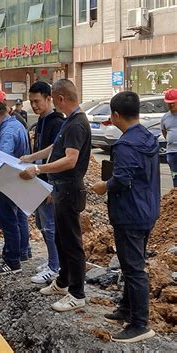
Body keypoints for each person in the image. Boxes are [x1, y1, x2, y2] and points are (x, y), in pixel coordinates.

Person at [92, 91, 159, 343]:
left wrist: (103, 186)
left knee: (134, 269)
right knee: (134, 263)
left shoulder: (125, 144)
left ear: (116, 115)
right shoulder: (148, 137)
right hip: (147, 210)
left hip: (130, 214)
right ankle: (126, 308)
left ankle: (140, 324)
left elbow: (121, 180)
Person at [20, 79, 91, 312]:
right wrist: (32, 158)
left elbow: (70, 160)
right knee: (61, 238)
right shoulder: (69, 122)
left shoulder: (77, 124)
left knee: (72, 243)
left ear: (60, 99)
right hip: (60, 189)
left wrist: (38, 169)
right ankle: (62, 282)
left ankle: (77, 293)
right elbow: (54, 148)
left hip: (70, 189)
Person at [0, 89, 30, 275]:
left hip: (7, 181)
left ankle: (13, 261)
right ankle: (20, 253)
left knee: (8, 220)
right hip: (15, 179)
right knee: (18, 218)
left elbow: (3, 158)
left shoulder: (8, 131)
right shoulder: (16, 124)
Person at [28, 81, 64, 284]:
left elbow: (55, 153)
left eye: (37, 101)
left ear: (49, 98)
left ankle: (54, 267)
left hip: (48, 181)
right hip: (39, 178)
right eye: (31, 102)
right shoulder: (42, 120)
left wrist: (52, 185)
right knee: (42, 224)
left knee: (50, 226)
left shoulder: (57, 122)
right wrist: (30, 158)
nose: (34, 106)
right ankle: (53, 260)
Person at [161, 88, 177, 187]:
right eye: (169, 103)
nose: (170, 105)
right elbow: (165, 133)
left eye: (173, 103)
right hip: (172, 152)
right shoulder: (165, 117)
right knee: (175, 177)